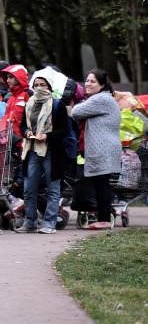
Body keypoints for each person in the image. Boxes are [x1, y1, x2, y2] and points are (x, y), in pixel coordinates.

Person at [16, 75, 69, 234]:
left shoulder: (57, 105)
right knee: (28, 188)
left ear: (50, 87)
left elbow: (64, 130)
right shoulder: (29, 104)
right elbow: (22, 126)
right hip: (32, 150)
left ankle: (49, 223)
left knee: (53, 188)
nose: (39, 87)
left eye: (43, 85)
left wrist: (48, 136)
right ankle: (30, 222)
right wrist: (27, 133)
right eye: (36, 84)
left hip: (52, 151)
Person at [71, 69, 121, 230]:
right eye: (87, 80)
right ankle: (104, 218)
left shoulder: (100, 98)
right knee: (101, 184)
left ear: (102, 85)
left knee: (101, 184)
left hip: (103, 148)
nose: (88, 84)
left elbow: (76, 112)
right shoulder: (103, 98)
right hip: (105, 147)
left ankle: (104, 220)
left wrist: (80, 105)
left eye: (92, 81)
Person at [1, 64, 32, 148]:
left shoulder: (28, 94)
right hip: (11, 141)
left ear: (19, 78)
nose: (7, 80)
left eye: (11, 77)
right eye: (7, 77)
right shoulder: (11, 97)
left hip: (25, 141)